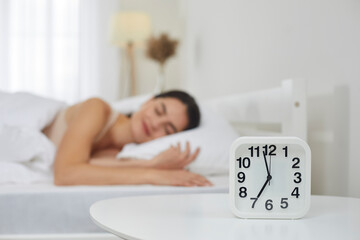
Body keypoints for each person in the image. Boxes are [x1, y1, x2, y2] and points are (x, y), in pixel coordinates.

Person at [42, 90, 212, 187]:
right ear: (148, 101)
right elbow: (65, 174)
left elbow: (88, 167)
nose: (155, 124)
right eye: (158, 111)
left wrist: (151, 163)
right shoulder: (97, 108)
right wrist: (152, 175)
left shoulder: (121, 153)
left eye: (167, 129)